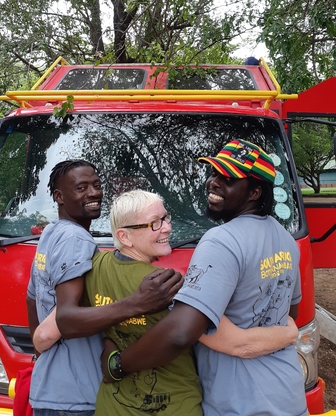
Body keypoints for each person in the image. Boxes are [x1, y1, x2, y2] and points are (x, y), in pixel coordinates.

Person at [34, 188, 299, 415]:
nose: (168, 227)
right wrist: (288, 334)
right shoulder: (168, 286)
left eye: (166, 218)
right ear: (124, 236)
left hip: (114, 405)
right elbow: (235, 342)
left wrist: (109, 343)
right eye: (155, 224)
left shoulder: (93, 268)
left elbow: (52, 327)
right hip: (174, 404)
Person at [101, 140, 308, 416]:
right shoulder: (287, 241)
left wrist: (118, 365)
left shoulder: (222, 241)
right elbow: (286, 314)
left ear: (255, 192)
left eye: (228, 178)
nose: (213, 183)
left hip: (240, 403)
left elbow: (180, 332)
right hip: (288, 394)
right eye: (213, 174)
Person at [26, 160, 183, 416]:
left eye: (97, 185)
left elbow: (32, 299)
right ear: (59, 197)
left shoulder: (50, 233)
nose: (94, 193)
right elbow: (65, 318)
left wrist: (41, 351)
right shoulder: (76, 239)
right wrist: (137, 303)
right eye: (81, 187)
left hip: (50, 387)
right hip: (77, 395)